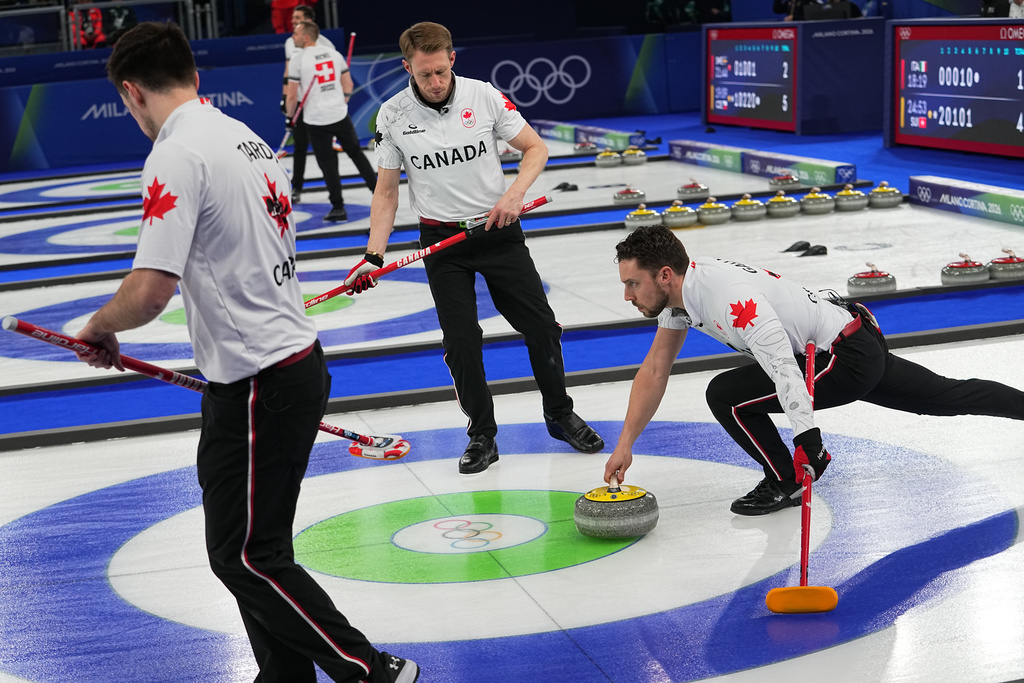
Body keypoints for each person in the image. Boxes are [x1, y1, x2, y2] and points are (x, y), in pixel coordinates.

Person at [76, 22, 418, 683]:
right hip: (272, 370)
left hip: (261, 377)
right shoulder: (248, 138)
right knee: (256, 546)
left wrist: (98, 325)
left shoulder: (176, 154)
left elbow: (148, 292)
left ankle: (371, 669)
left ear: (129, 92)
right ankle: (284, 675)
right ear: (196, 77)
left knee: (246, 554)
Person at [605, 225, 1024, 515]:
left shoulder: (730, 301)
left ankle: (785, 478)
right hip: (850, 340)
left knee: (726, 396)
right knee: (946, 397)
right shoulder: (682, 293)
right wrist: (625, 443)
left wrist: (807, 440)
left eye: (632, 284)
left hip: (842, 358)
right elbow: (656, 369)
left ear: (663, 275)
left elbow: (783, 369)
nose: (627, 295)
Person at [347, 21, 604, 474]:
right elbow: (385, 193)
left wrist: (514, 194)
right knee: (462, 342)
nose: (435, 82)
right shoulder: (391, 114)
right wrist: (372, 255)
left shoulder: (482, 95)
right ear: (408, 67)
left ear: (452, 60)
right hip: (443, 242)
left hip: (497, 230)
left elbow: (535, 149)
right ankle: (482, 435)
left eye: (441, 71)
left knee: (542, 326)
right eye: (424, 75)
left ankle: (560, 415)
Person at [286, 20, 377, 223]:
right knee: (356, 153)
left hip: (316, 119)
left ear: (307, 36)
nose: (293, 37)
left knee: (328, 164)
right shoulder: (334, 54)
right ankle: (380, 194)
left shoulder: (298, 59)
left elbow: (292, 96)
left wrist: (290, 118)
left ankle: (338, 207)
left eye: (296, 34)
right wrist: (340, 102)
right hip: (339, 114)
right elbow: (348, 84)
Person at [281, 4, 334, 204]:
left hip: (320, 104)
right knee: (300, 146)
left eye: (297, 18)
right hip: (300, 104)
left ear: (309, 21)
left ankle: (335, 194)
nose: (293, 21)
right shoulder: (290, 42)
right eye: (293, 18)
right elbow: (288, 72)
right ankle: (297, 188)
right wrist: (285, 97)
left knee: (325, 151)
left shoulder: (326, 45)